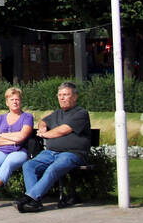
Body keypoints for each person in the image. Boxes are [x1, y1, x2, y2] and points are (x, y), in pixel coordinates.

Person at [18, 82, 91, 212]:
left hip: (73, 154)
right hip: (51, 153)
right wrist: (42, 126)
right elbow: (43, 121)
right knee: (29, 165)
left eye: (66, 95)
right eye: (60, 95)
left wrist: (45, 134)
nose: (62, 98)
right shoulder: (57, 113)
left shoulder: (81, 113)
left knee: (53, 169)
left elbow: (63, 130)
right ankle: (35, 200)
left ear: (74, 97)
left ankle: (30, 198)